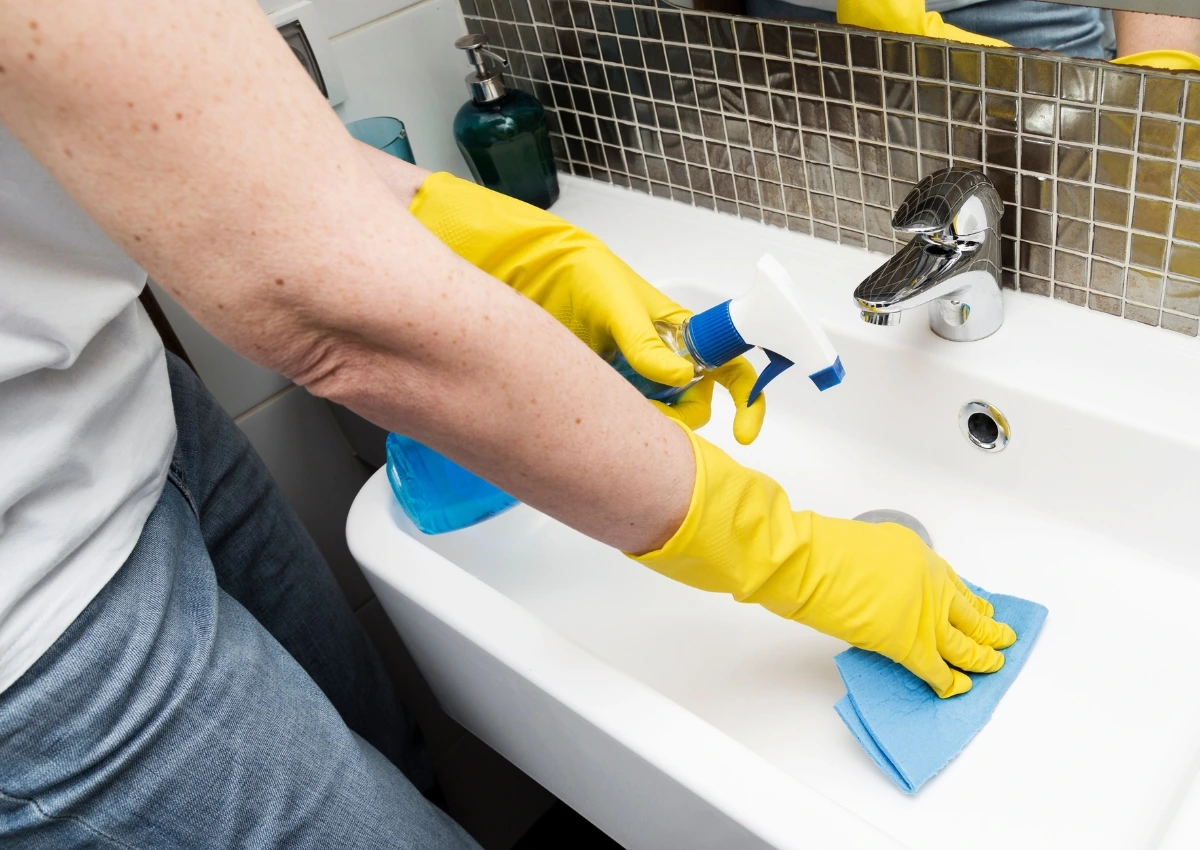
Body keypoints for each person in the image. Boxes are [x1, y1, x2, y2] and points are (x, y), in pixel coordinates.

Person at [0, 0, 1016, 846]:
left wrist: (537, 256)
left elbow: (219, 146)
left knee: (382, 746)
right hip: (31, 615)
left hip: (113, 396)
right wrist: (790, 555)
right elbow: (333, 319)